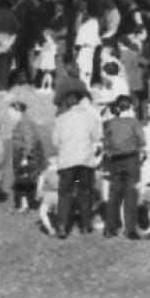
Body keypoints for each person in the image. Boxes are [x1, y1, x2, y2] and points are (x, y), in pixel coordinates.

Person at [51, 87, 103, 239]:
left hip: (67, 162)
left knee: (65, 193)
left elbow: (55, 142)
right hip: (84, 162)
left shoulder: (60, 120)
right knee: (84, 192)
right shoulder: (90, 117)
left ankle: (62, 226)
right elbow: (96, 137)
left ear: (67, 102)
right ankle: (86, 224)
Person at [101, 95, 144, 239]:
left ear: (118, 108)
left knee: (114, 194)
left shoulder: (111, 123)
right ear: (131, 107)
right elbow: (142, 141)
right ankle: (130, 228)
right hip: (131, 159)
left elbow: (105, 143)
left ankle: (109, 227)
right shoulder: (135, 123)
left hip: (115, 160)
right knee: (131, 195)